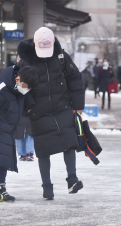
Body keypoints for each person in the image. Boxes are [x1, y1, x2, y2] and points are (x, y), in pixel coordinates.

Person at [17, 27, 85, 200]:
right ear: (34, 44)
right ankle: (47, 186)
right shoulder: (26, 61)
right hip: (38, 111)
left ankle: (72, 180)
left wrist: (77, 105)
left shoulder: (62, 57)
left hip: (62, 107)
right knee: (43, 149)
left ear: (53, 42)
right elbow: (20, 86)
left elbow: (76, 79)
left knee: (69, 142)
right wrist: (29, 106)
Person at [0, 65, 40, 202]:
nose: (27, 90)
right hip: (2, 127)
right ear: (17, 79)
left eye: (30, 88)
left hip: (9, 128)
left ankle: (1, 189)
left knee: (3, 160)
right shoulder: (2, 88)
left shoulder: (19, 90)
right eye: (26, 86)